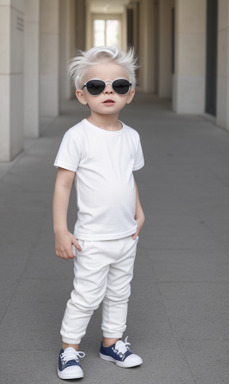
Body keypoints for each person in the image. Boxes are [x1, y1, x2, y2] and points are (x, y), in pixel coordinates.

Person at [53, 46, 145, 380]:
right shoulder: (77, 136)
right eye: (97, 86)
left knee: (121, 291)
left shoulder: (131, 137)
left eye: (119, 86)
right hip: (91, 237)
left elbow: (127, 177)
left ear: (129, 94)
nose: (108, 91)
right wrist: (61, 230)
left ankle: (111, 343)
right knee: (87, 295)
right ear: (82, 95)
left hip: (125, 234)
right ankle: (68, 349)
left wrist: (139, 211)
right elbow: (63, 185)